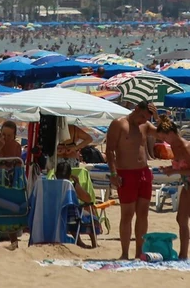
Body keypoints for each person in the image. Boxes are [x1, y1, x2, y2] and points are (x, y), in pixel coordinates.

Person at [106, 100, 156, 259]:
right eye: (142, 116)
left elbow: (165, 134)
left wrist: (158, 117)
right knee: (127, 214)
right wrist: (113, 174)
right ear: (135, 109)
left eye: (147, 118)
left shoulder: (146, 126)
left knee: (143, 213)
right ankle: (125, 253)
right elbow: (109, 151)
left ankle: (139, 252)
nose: (143, 120)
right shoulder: (119, 124)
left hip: (144, 173)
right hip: (126, 173)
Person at [156, 115, 190, 259]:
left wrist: (174, 171)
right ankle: (183, 254)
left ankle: (184, 253)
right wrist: (169, 168)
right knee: (181, 218)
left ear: (171, 133)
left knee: (182, 218)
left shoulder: (185, 146)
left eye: (164, 137)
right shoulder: (175, 147)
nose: (164, 141)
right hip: (187, 184)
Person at [55, 161, 98, 248]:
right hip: (71, 217)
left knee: (72, 212)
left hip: (55, 215)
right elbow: (88, 199)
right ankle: (94, 243)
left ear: (56, 174)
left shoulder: (51, 185)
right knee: (90, 211)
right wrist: (77, 183)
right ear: (70, 174)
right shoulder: (71, 185)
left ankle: (79, 241)